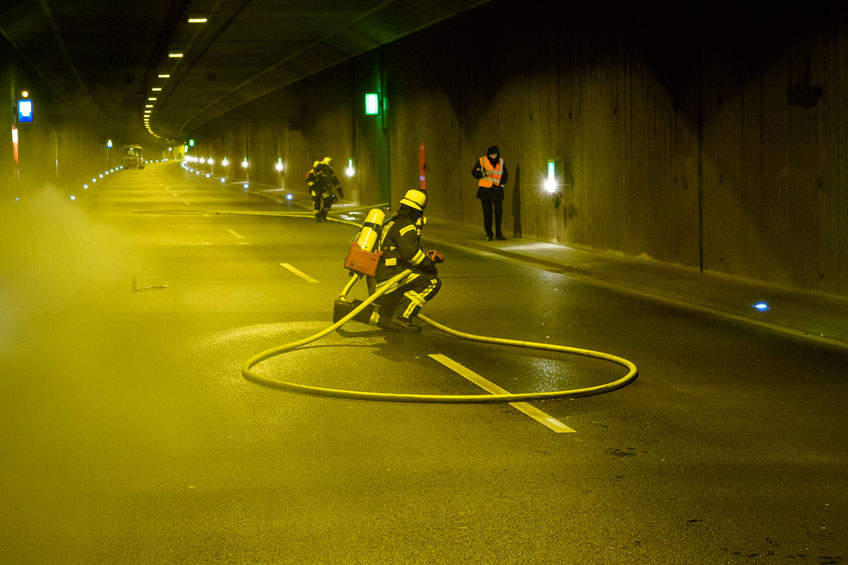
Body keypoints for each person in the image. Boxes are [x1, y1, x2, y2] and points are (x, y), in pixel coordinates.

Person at [373, 189, 443, 333]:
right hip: (391, 280)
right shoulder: (406, 226)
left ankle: (391, 312)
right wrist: (429, 265)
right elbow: (411, 255)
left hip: (383, 277)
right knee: (432, 282)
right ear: (418, 210)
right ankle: (401, 317)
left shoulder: (392, 222)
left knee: (418, 275)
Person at [471, 145, 508, 240]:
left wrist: (502, 185)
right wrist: (484, 174)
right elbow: (474, 172)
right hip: (485, 190)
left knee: (498, 212)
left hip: (497, 190)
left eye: (495, 155)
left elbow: (505, 174)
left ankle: (499, 233)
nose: (494, 157)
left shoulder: (501, 162)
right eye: (492, 155)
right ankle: (489, 233)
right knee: (487, 213)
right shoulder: (482, 160)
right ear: (488, 154)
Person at [305, 157, 343, 221]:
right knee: (317, 202)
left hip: (323, 189)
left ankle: (323, 214)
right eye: (328, 166)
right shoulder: (316, 170)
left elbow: (335, 181)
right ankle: (317, 216)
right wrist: (315, 189)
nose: (329, 168)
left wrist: (340, 192)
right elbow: (309, 180)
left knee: (328, 200)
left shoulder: (329, 171)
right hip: (316, 189)